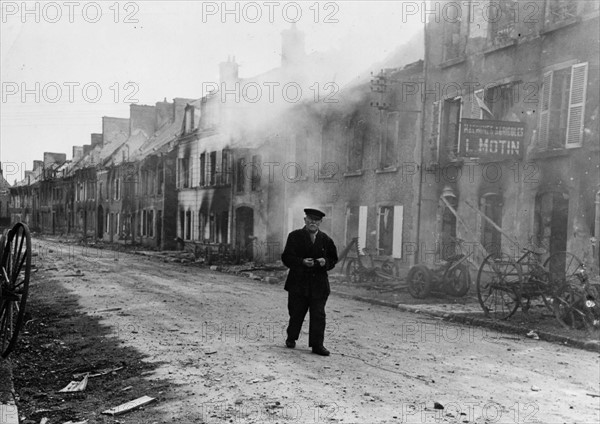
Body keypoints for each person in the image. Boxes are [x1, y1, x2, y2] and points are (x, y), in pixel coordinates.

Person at [281, 208, 338, 356]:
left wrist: (324, 261)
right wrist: (301, 262)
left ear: (320, 222)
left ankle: (317, 345)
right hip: (298, 283)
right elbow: (286, 257)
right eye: (310, 219)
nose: (313, 222)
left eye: (316, 220)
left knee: (318, 315)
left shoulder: (326, 240)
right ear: (305, 220)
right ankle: (291, 337)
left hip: (319, 284)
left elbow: (333, 259)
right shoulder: (294, 237)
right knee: (296, 313)